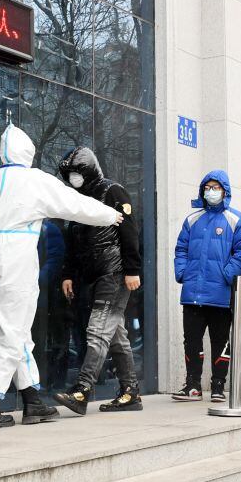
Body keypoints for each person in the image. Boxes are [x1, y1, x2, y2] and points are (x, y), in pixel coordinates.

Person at [0, 130, 120, 427]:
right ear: (27, 153)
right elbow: (74, 204)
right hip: (15, 257)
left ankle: (32, 401)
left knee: (15, 333)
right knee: (10, 335)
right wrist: (110, 215)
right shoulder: (34, 180)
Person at [55, 147, 144, 415]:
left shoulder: (112, 191)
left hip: (114, 273)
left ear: (89, 170)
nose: (73, 178)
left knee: (97, 331)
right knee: (115, 335)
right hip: (92, 275)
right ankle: (130, 392)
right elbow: (72, 239)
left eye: (77, 172)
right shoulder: (76, 199)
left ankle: (82, 389)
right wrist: (68, 273)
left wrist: (132, 269)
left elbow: (129, 231)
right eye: (69, 174)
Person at [171, 171, 241, 402]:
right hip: (192, 294)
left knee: (220, 341)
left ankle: (218, 386)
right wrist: (182, 273)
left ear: (225, 190)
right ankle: (193, 385)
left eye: (216, 187)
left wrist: (226, 275)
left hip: (221, 294)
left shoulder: (237, 219)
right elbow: (181, 250)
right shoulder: (192, 220)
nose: (211, 191)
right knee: (192, 340)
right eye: (207, 187)